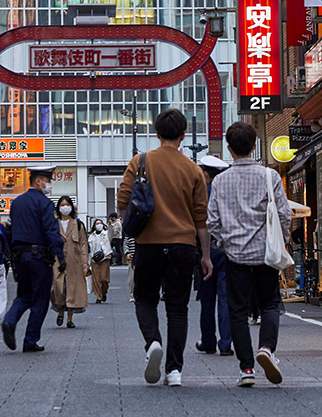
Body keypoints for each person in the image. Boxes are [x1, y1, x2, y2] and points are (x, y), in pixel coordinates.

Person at [117, 109, 212, 387]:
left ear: (156, 133)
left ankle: (153, 342)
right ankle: (174, 371)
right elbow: (201, 218)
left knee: (145, 298)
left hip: (149, 243)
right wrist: (206, 255)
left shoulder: (141, 161)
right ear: (183, 135)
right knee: (177, 308)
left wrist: (131, 226)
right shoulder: (193, 169)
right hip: (183, 245)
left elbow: (123, 200)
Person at [207, 122, 291, 387]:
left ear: (230, 150)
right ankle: (266, 347)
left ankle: (246, 369)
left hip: (235, 256)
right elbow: (284, 214)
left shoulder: (220, 180)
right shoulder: (270, 176)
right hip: (266, 253)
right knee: (269, 304)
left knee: (238, 311)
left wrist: (223, 243)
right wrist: (284, 240)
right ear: (255, 146)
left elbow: (212, 221)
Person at [2, 165, 66, 353]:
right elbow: (51, 232)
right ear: (38, 181)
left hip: (20, 257)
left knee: (23, 295)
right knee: (39, 299)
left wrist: (11, 255)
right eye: (48, 180)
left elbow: (9, 230)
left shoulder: (17, 202)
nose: (49, 184)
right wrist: (60, 257)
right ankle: (30, 340)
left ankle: (9, 320)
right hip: (39, 258)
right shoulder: (44, 203)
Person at [194, 155, 233, 357]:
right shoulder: (228, 192)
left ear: (206, 174)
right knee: (226, 299)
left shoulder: (201, 194)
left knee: (207, 299)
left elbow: (199, 224)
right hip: (228, 251)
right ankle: (225, 343)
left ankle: (208, 341)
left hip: (206, 251)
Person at [52, 196, 90, 328]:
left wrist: (85, 264)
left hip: (75, 262)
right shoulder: (53, 224)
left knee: (71, 289)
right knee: (58, 288)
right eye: (62, 204)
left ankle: (69, 319)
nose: (64, 207)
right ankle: (60, 311)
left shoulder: (78, 224)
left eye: (67, 204)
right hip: (57, 262)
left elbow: (83, 245)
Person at [89, 218, 113, 303]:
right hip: (94, 260)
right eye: (97, 223)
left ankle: (103, 292)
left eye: (100, 223)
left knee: (104, 279)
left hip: (104, 258)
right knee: (96, 279)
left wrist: (110, 225)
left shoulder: (106, 234)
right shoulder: (91, 236)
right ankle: (98, 297)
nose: (99, 225)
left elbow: (111, 233)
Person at [124, 233, 137, 303]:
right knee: (132, 278)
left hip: (143, 259)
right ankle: (132, 295)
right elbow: (125, 244)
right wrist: (127, 253)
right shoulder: (130, 233)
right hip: (132, 259)